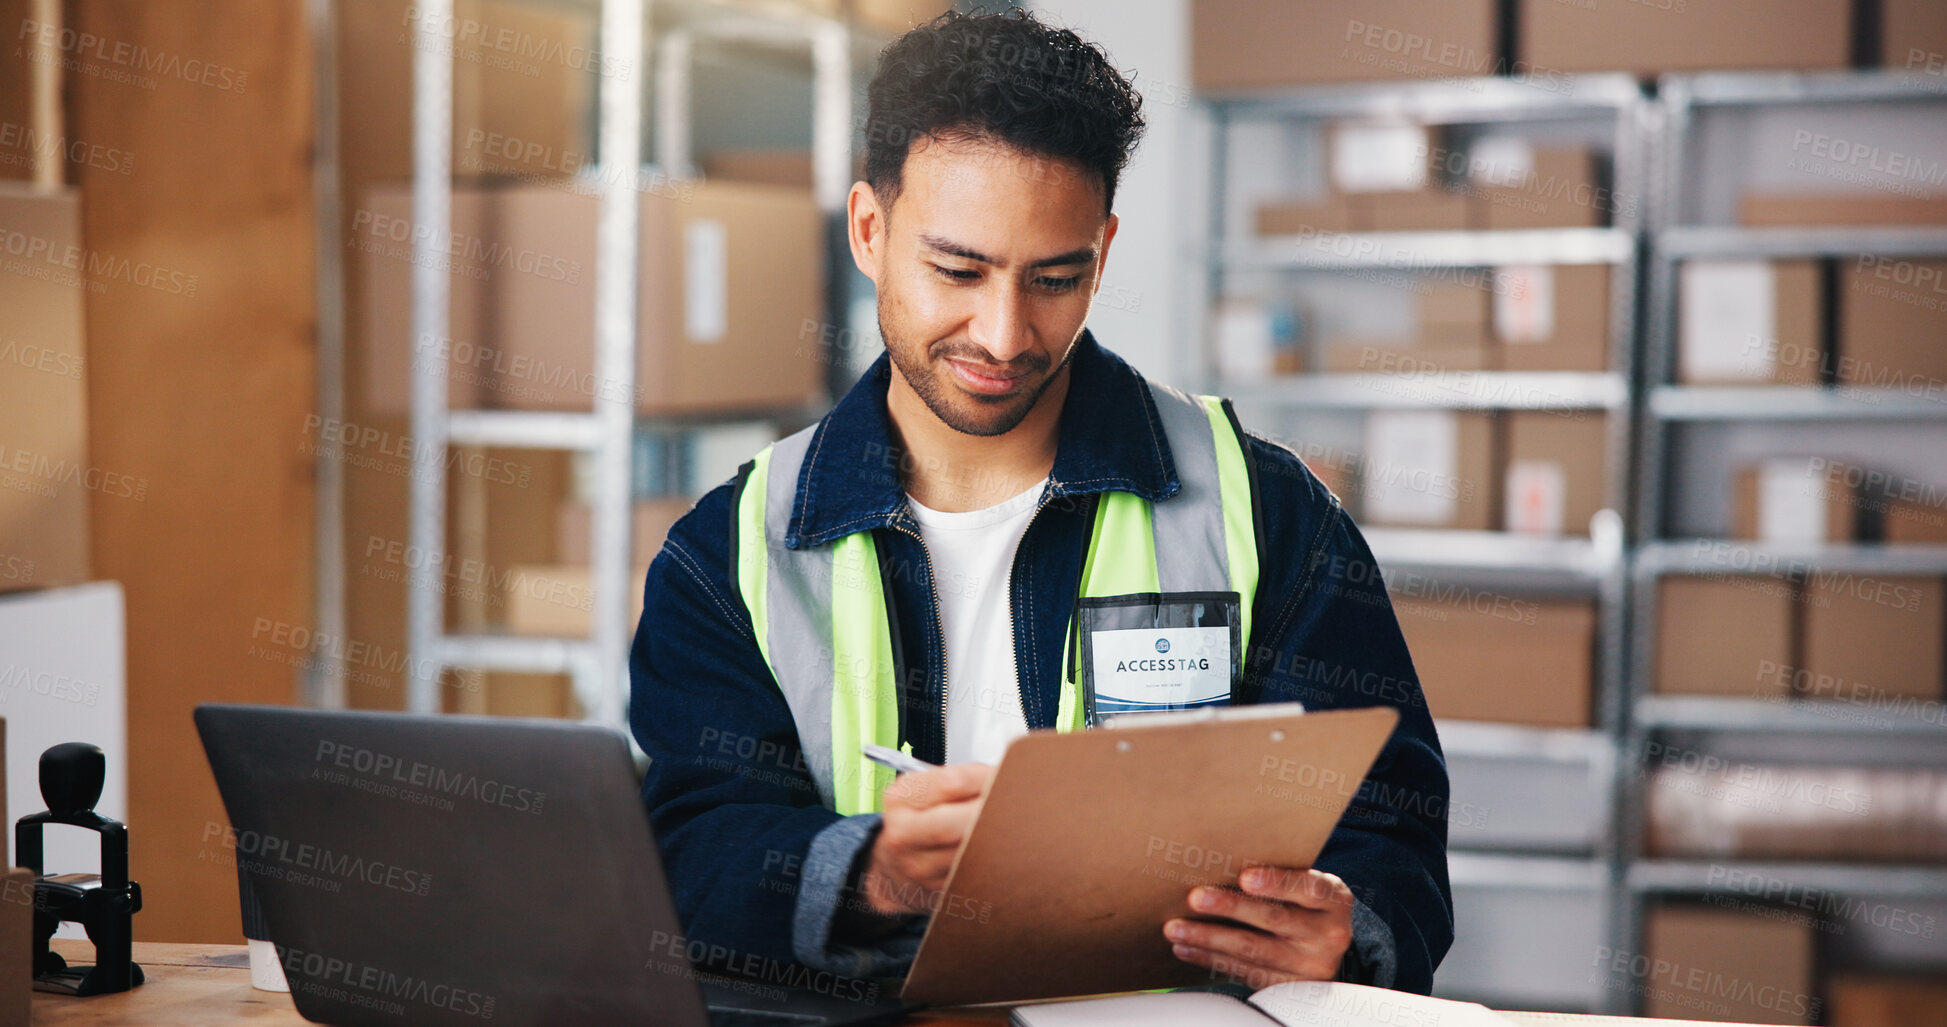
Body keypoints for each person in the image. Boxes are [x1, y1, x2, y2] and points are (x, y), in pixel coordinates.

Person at [629, 8, 1452, 996]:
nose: (1006, 333)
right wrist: (874, 871)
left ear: (1102, 252)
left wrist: (1343, 935)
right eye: (957, 270)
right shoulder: (732, 552)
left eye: (1055, 278)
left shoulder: (1266, 510)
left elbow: (1392, 834)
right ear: (868, 231)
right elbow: (688, 852)